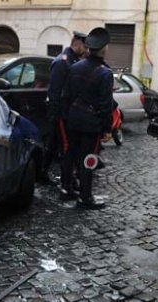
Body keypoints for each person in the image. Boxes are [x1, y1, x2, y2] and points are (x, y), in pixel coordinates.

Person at [61, 27, 114, 209]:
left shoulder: (75, 66)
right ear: (104, 49)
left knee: (71, 153)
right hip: (91, 123)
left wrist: (68, 117)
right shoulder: (105, 73)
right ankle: (85, 197)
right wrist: (107, 128)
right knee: (88, 159)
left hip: (73, 119)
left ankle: (66, 187)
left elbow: (66, 95)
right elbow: (106, 104)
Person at [43, 31, 89, 185]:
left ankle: (43, 173)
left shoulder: (73, 60)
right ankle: (64, 181)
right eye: (84, 45)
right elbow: (55, 91)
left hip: (66, 111)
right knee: (63, 146)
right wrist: (56, 115)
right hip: (60, 112)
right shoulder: (62, 61)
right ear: (76, 43)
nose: (86, 49)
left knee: (54, 144)